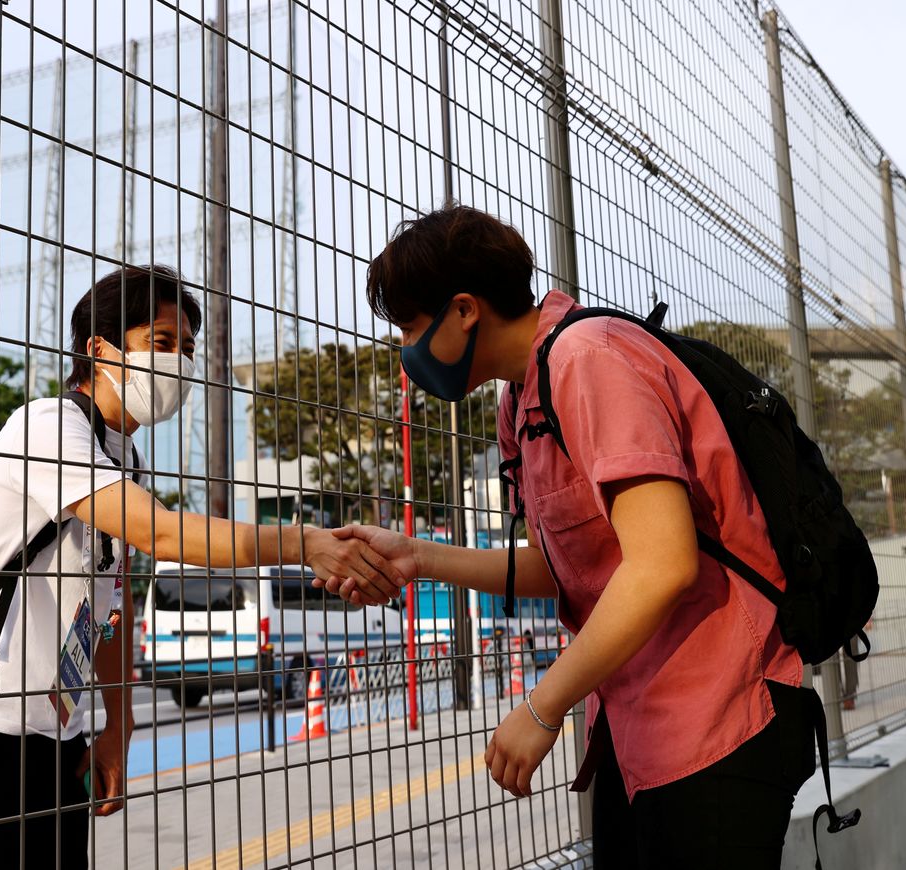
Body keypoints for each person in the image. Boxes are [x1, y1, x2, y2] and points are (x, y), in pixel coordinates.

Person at [322, 206, 815, 866]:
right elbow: (567, 567)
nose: (408, 349)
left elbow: (662, 564)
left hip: (718, 713)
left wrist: (542, 705)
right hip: (635, 723)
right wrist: (416, 556)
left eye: (412, 327)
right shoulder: (520, 401)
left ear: (464, 310)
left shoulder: (587, 359)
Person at [0, 265, 401, 870]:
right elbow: (161, 533)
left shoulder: (127, 458)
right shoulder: (48, 426)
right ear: (99, 349)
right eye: (159, 343)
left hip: (55, 730)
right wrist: (305, 542)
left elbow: (111, 603)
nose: (178, 363)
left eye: (187, 348)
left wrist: (118, 720)